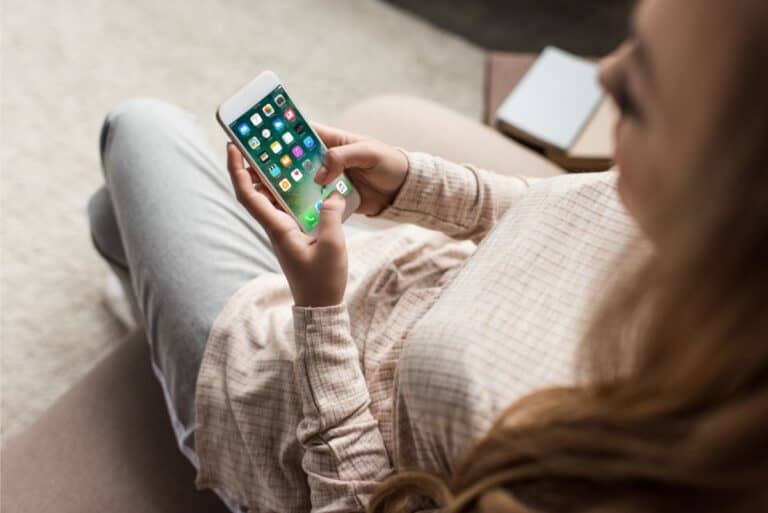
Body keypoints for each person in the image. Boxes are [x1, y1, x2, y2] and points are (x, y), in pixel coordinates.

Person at [87, 0, 768, 511]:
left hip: (289, 396)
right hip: (392, 273)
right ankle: (140, 284)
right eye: (629, 43)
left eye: (638, 90)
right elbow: (559, 213)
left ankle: (168, 358)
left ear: (726, 191)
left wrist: (318, 308)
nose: (604, 74)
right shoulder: (707, 245)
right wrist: (415, 183)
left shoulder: (606, 470)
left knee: (139, 127)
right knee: (115, 212)